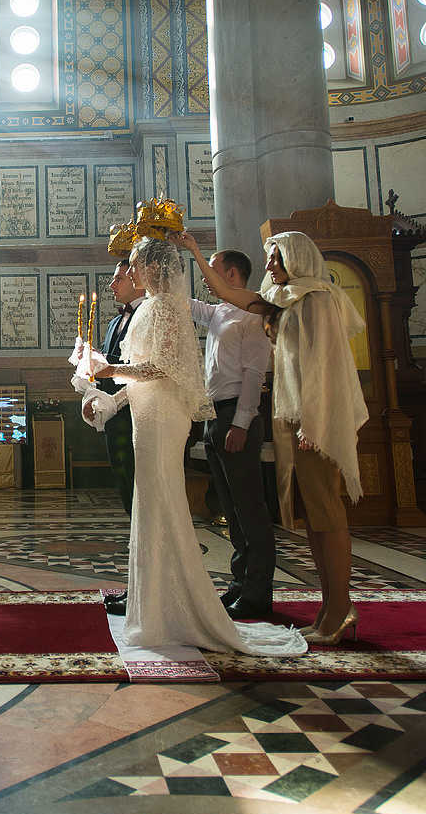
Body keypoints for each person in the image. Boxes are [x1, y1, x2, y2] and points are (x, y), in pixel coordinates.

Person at [93, 237, 306, 657]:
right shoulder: (160, 306)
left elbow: (165, 369)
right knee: (150, 505)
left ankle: (185, 603)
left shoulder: (169, 308)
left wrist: (110, 368)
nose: (131, 272)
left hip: (165, 419)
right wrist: (110, 403)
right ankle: (153, 603)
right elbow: (147, 376)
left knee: (166, 503)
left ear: (154, 269)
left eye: (135, 264)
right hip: (147, 414)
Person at [174, 229, 368, 646]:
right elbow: (228, 293)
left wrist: (314, 423)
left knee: (327, 514)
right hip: (300, 421)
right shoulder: (286, 301)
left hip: (319, 422)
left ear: (297, 258)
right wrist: (191, 249)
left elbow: (324, 367)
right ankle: (332, 605)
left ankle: (340, 607)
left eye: (275, 258)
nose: (269, 266)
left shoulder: (319, 300)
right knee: (314, 518)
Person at [190, 249, 275, 619]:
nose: (209, 275)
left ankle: (258, 591)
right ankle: (240, 583)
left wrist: (241, 423)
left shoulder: (253, 314)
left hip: (236, 416)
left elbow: (255, 375)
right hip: (214, 413)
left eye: (215, 267)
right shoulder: (221, 312)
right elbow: (188, 304)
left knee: (249, 506)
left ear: (234, 274)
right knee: (230, 505)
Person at [92, 259, 146, 516]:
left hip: (137, 411)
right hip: (112, 413)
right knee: (122, 477)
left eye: (119, 278)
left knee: (139, 478)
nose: (112, 284)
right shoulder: (115, 323)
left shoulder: (147, 315)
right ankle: (135, 530)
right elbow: (106, 361)